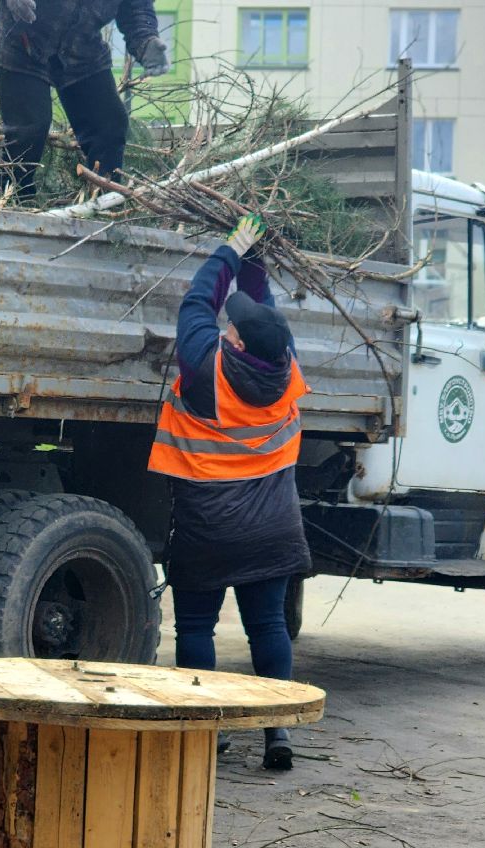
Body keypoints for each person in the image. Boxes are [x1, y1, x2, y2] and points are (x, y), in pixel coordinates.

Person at [148, 213, 311, 770]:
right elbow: (265, 314)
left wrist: (228, 250)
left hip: (210, 525)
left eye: (234, 327)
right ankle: (277, 731)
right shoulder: (286, 369)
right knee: (268, 625)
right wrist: (255, 259)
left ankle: (206, 731)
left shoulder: (205, 368)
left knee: (196, 626)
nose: (228, 326)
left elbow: (197, 302)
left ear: (237, 342)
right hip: (272, 527)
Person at [0, 0, 169, 199]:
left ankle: (102, 201)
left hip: (81, 48)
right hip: (24, 44)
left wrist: (146, 40)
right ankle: (12, 199)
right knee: (29, 130)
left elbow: (136, 7)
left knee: (109, 125)